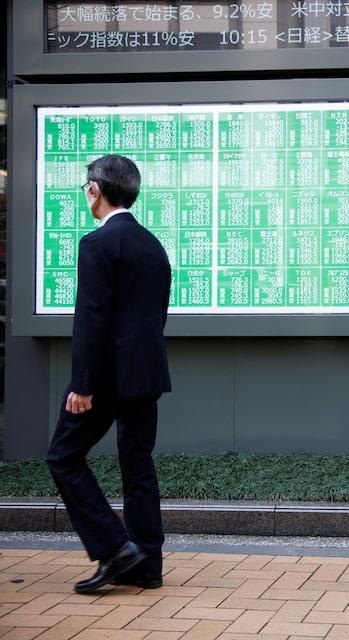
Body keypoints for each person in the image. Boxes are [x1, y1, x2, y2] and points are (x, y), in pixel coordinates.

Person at [47, 154, 172, 594]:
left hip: (104, 378)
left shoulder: (97, 243)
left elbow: (92, 318)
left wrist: (83, 384)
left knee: (63, 457)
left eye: (87, 187)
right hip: (146, 372)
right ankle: (147, 566)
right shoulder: (153, 245)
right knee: (138, 465)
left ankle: (115, 548)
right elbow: (155, 315)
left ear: (95, 190)